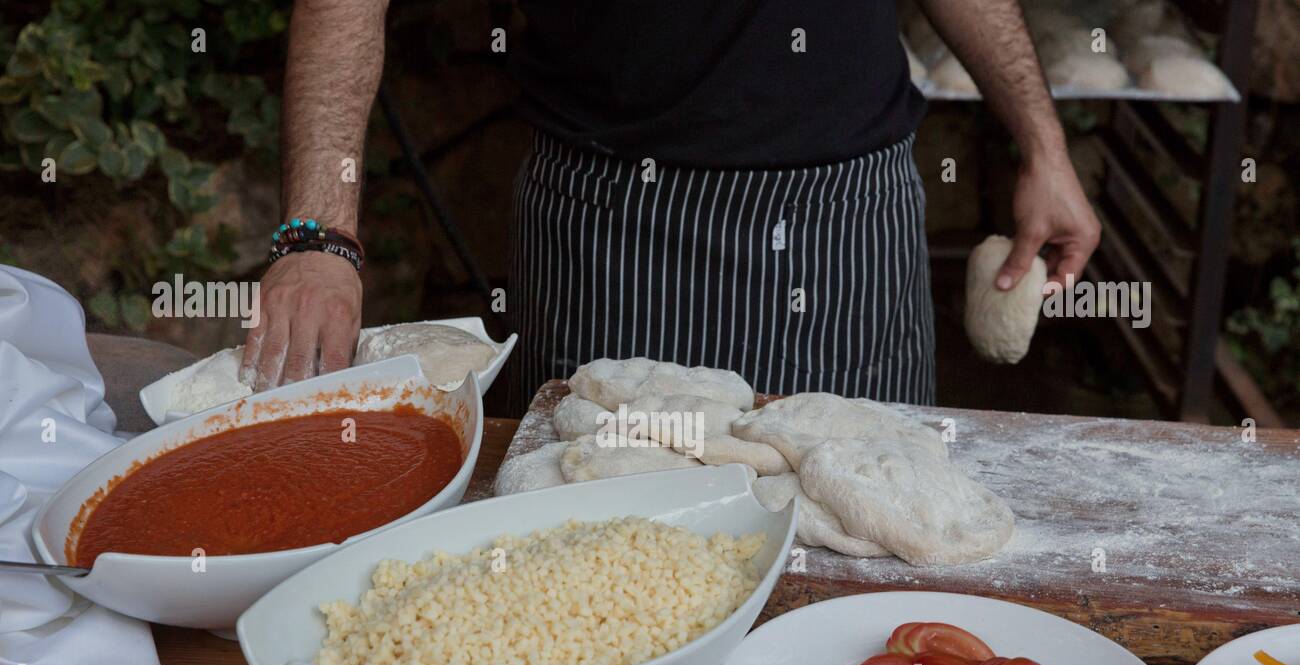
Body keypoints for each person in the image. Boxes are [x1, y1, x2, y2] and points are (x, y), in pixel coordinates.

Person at [242, 0, 1100, 411]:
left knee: (860, 563)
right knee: (596, 562)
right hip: (613, 228)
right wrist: (320, 234)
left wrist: (1042, 141)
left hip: (846, 230)